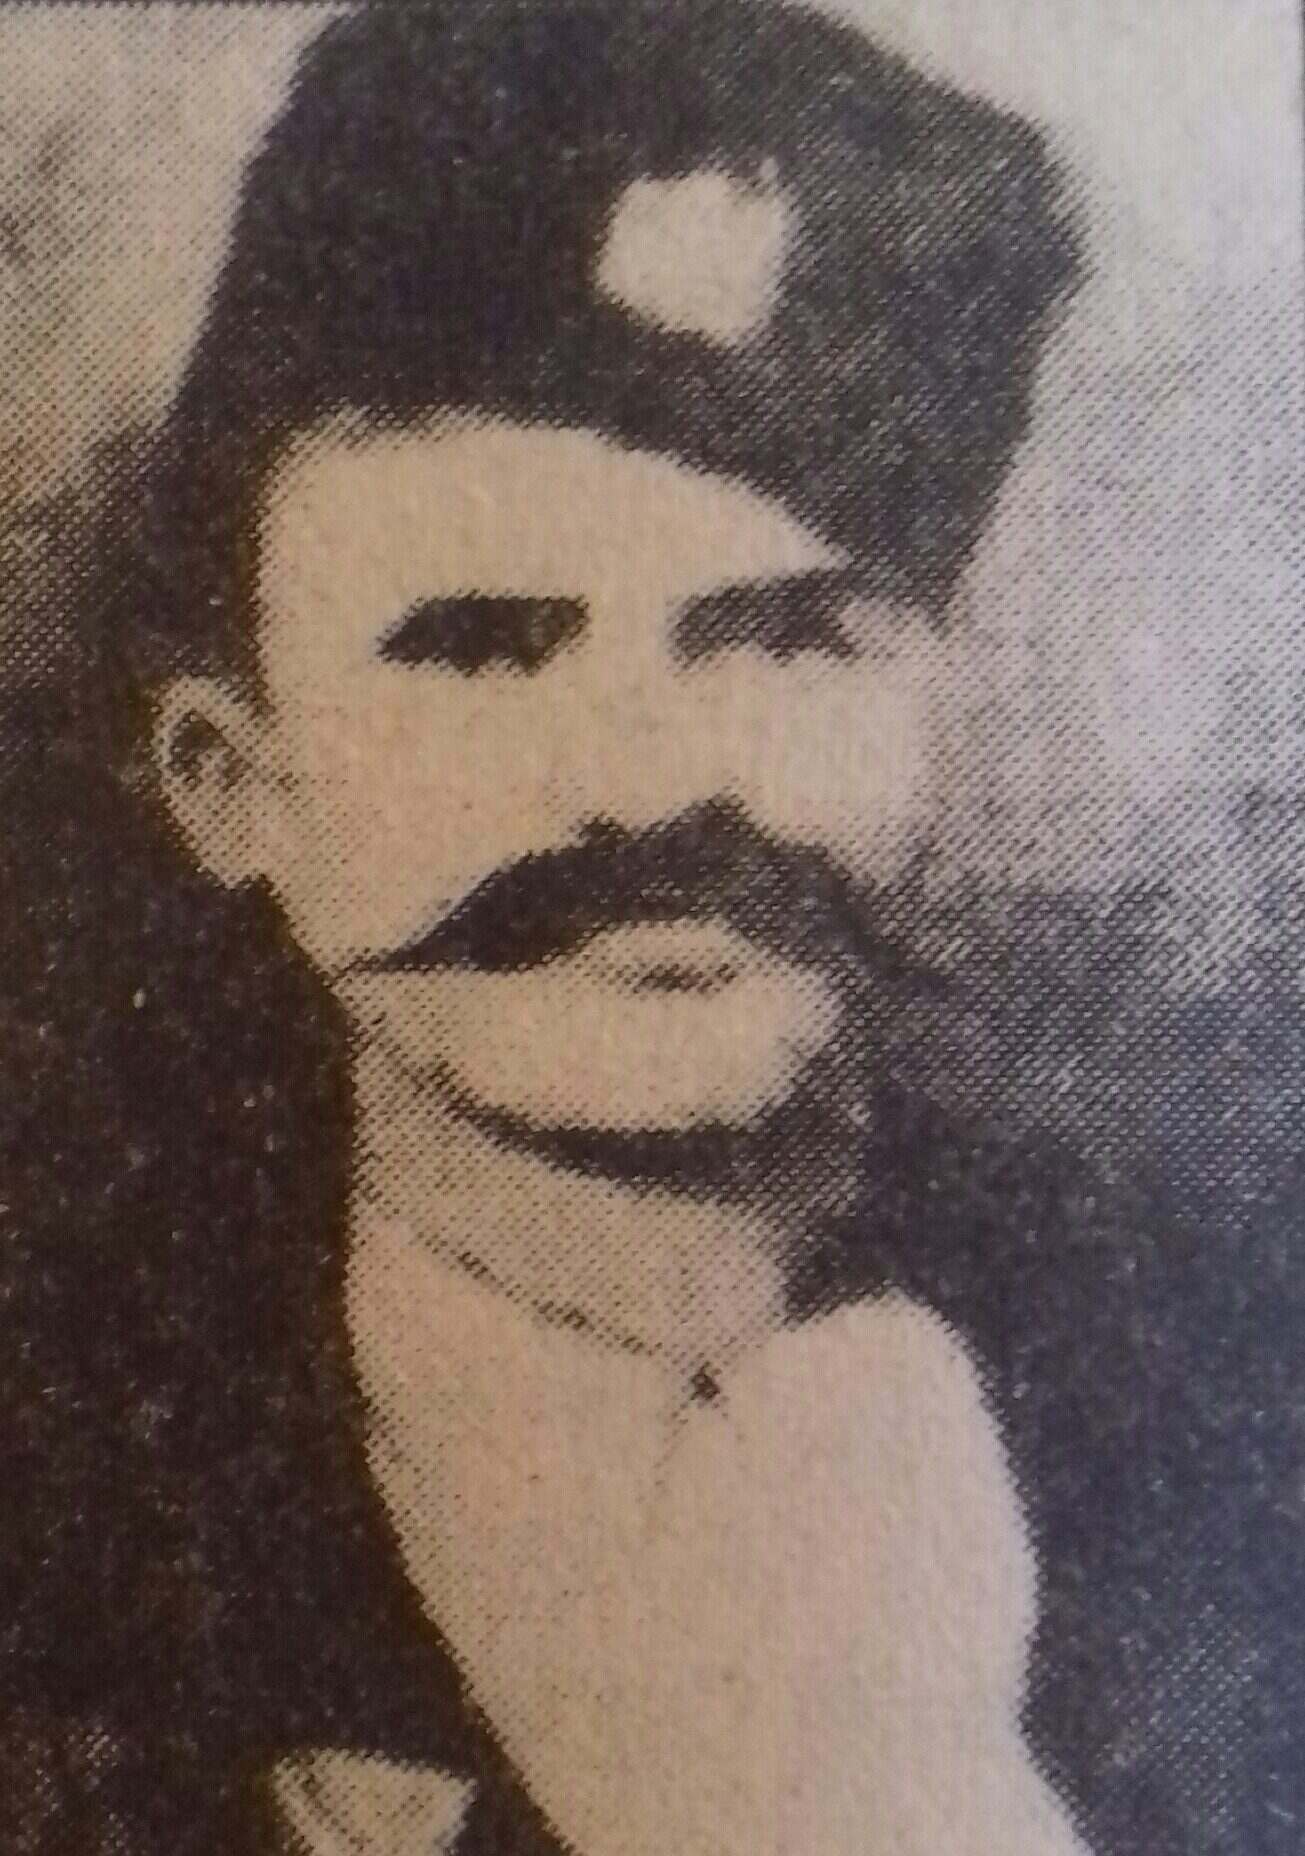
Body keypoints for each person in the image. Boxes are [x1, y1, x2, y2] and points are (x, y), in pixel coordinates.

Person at [0, 1, 1287, 1850]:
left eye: (787, 636)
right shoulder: (70, 1498)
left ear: (933, 697)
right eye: (482, 648)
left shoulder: (1229, 1382)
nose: (650, 783)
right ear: (229, 780)